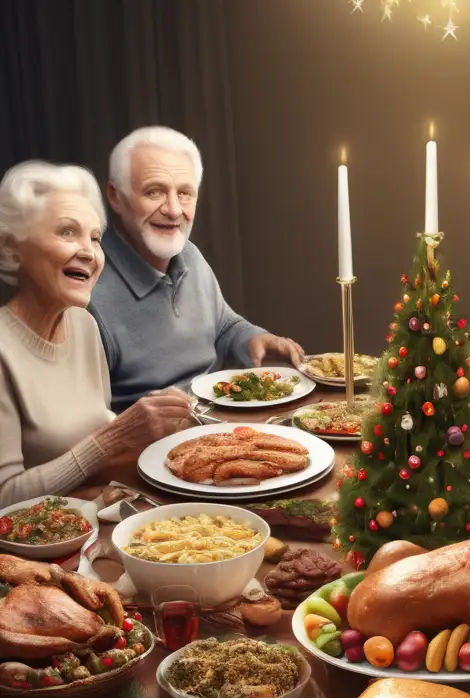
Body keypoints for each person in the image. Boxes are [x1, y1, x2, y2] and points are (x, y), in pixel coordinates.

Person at [0, 161, 192, 508]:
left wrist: (152, 425)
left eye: (94, 238)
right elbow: (4, 498)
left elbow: (95, 425)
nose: (89, 253)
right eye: (67, 232)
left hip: (92, 520)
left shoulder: (83, 324)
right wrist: (115, 436)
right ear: (11, 247)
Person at [89, 126, 304, 411]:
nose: (175, 210)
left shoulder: (189, 254)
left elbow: (225, 326)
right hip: (149, 449)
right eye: (155, 192)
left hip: (221, 421)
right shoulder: (87, 288)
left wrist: (254, 338)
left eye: (185, 193)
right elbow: (87, 429)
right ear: (116, 197)